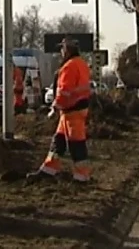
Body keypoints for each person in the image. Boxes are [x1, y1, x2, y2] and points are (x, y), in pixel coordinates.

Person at [28, 38, 92, 183]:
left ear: (67, 50)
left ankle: (82, 177)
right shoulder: (81, 64)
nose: (61, 52)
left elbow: (64, 92)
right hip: (74, 110)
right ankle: (48, 169)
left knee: (76, 144)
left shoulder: (69, 66)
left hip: (72, 111)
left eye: (62, 49)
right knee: (58, 141)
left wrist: (54, 107)